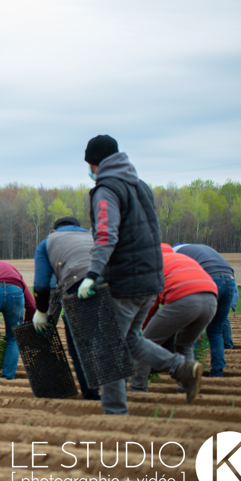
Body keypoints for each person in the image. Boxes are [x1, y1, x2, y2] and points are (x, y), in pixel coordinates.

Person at [78, 135, 203, 413]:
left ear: (93, 163)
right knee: (132, 339)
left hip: (125, 282)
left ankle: (115, 413)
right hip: (151, 279)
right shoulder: (140, 185)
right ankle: (182, 368)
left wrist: (93, 273)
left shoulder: (106, 189)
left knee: (111, 347)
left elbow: (106, 234)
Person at [129, 244, 217, 391]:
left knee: (145, 343)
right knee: (184, 344)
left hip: (185, 298)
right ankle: (187, 386)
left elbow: (151, 303)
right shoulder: (182, 258)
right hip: (211, 300)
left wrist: (143, 328)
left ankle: (137, 388)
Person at [32, 216, 99, 400]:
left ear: (54, 230)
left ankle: (92, 396)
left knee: (79, 348)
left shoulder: (48, 243)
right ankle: (117, 395)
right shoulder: (94, 236)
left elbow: (41, 284)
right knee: (108, 342)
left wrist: (41, 311)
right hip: (111, 284)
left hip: (77, 287)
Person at [172, 243, 238, 377]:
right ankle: (217, 372)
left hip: (209, 278)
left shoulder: (174, 253)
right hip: (230, 280)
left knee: (192, 327)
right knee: (216, 330)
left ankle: (190, 371)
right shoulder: (200, 249)